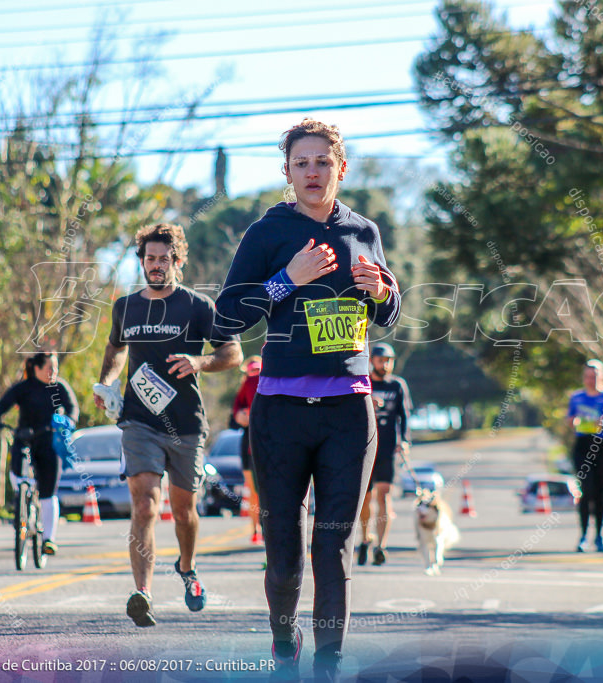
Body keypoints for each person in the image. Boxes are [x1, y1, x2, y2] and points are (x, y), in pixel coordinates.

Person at [216, 119, 402, 682]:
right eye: (302, 163)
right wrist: (285, 280)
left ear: (340, 168)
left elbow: (387, 316)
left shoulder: (364, 231)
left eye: (323, 161)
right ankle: (282, 644)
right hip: (280, 414)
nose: (313, 172)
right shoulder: (267, 232)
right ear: (288, 173)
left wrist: (384, 292)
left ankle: (328, 665)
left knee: (334, 546)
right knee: (286, 551)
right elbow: (226, 317)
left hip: (349, 410)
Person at [95, 223, 242, 627]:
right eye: (149, 259)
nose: (155, 266)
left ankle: (187, 567)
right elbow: (115, 346)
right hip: (139, 421)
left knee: (184, 511)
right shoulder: (125, 306)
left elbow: (232, 353)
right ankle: (142, 593)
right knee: (144, 504)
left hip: (186, 424)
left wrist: (199, 362)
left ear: (177, 261)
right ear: (141, 261)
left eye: (163, 259)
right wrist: (107, 382)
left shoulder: (196, 306)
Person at [0, 352, 78, 556]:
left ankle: (49, 539)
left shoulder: (59, 388)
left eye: (55, 368)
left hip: (48, 442)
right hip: (24, 439)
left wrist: (69, 420)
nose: (54, 372)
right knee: (16, 473)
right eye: (49, 368)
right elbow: (4, 404)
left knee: (48, 492)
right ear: (37, 368)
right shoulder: (23, 388)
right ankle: (21, 505)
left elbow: (72, 408)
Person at [357, 342, 411, 567]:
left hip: (388, 448)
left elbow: (404, 415)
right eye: (381, 360)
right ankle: (364, 539)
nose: (385, 364)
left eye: (389, 360)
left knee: (384, 496)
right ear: (372, 362)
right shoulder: (363, 383)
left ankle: (381, 545)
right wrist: (369, 402)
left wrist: (405, 441)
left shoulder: (398, 385)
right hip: (365, 446)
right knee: (366, 497)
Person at [566, 359, 603, 553]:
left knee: (599, 492)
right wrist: (574, 421)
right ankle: (583, 535)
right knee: (585, 490)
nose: (590, 380)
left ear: (601, 377)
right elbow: (570, 419)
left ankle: (598, 536)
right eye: (587, 377)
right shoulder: (576, 397)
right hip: (583, 445)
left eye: (594, 376)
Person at [232, 355, 263, 545]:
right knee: (252, 490)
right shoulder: (244, 389)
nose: (254, 376)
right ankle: (255, 528)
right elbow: (234, 417)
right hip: (248, 444)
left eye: (257, 371)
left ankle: (264, 526)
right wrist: (241, 416)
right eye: (251, 372)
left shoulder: (268, 384)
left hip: (266, 442)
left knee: (263, 489)